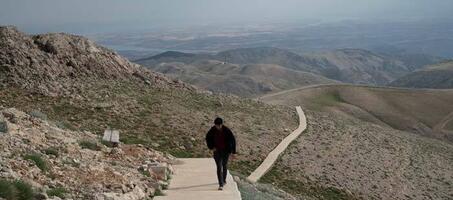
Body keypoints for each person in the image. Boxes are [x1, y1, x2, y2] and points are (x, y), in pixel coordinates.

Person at [205, 117, 237, 191]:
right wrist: (211, 147)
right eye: (216, 125)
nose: (218, 127)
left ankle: (224, 180)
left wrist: (234, 152)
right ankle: (221, 184)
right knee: (219, 167)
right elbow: (207, 138)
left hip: (226, 151)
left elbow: (233, 140)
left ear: (221, 124)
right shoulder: (213, 130)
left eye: (219, 125)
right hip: (217, 151)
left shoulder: (226, 130)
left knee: (224, 165)